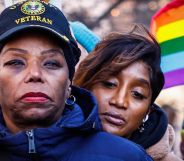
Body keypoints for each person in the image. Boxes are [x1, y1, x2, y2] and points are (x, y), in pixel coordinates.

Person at [0, 0, 155, 161]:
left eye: (51, 63)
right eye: (16, 62)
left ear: (69, 84)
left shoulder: (128, 157)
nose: (35, 74)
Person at [74, 25, 183, 161]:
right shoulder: (47, 145)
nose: (120, 101)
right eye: (109, 84)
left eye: (137, 94)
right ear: (85, 85)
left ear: (148, 111)